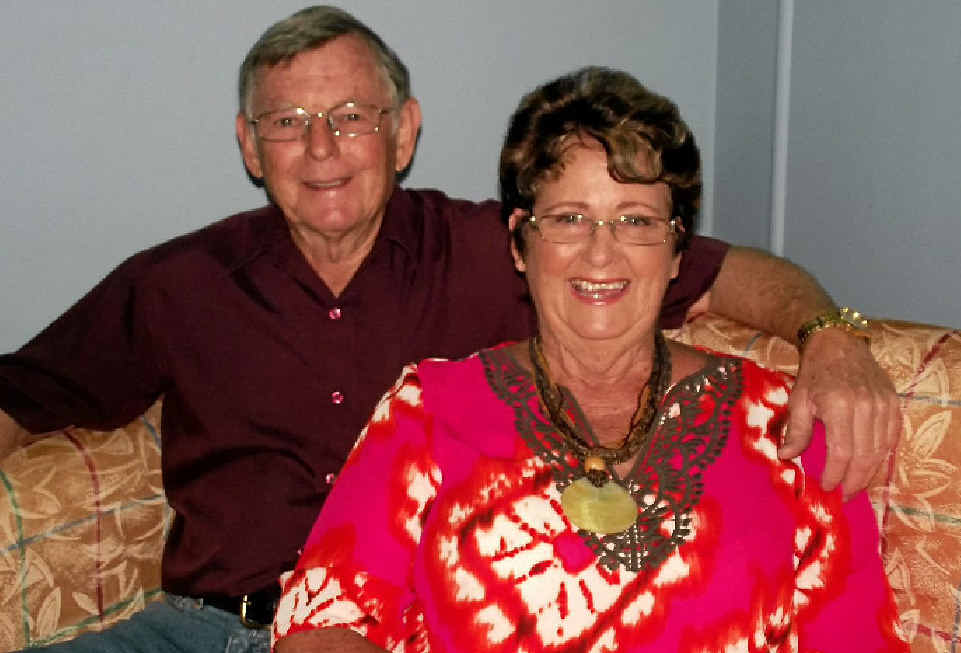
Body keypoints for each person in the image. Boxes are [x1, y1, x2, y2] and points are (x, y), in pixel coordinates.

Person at [0, 6, 898, 652]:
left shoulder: (509, 245)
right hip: (205, 627)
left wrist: (830, 333)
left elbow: (732, 273)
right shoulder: (178, 284)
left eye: (352, 115)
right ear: (248, 145)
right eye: (287, 121)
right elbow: (8, 394)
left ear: (404, 132)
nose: (321, 147)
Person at [273, 66, 907, 653]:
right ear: (520, 243)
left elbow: (856, 639)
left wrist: (831, 335)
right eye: (570, 218)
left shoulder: (787, 427)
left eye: (636, 222)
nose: (601, 254)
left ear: (677, 252)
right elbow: (322, 624)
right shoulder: (428, 410)